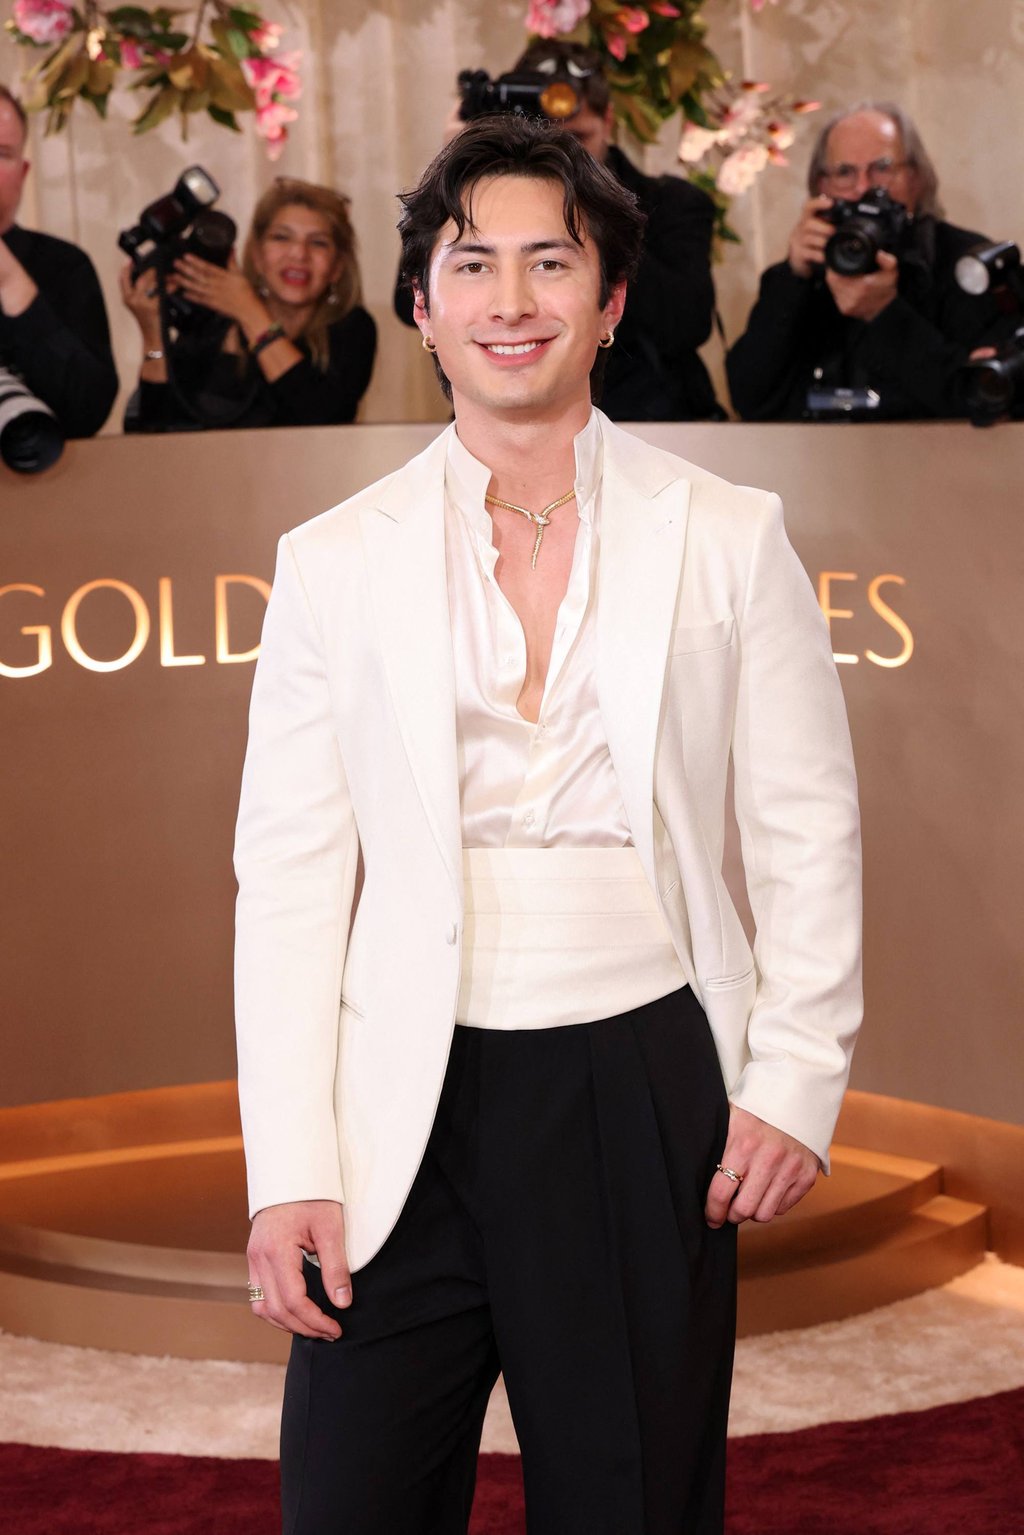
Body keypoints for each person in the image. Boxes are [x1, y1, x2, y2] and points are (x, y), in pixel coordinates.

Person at [234, 116, 862, 1534]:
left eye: (550, 262)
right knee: (350, 1502)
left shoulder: (728, 531)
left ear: (611, 299)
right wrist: (290, 1166)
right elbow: (286, 878)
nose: (510, 301)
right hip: (397, 1096)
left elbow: (805, 824)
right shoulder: (330, 561)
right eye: (472, 265)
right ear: (421, 304)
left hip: (641, 1077)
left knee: (630, 1500)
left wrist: (796, 1073)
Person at [395, 40, 722, 421]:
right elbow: (410, 302)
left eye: (577, 139)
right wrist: (458, 165)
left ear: (608, 122)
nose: (557, 154)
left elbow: (687, 322)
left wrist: (603, 223)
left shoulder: (672, 202)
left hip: (651, 415)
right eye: (475, 266)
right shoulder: (471, 203)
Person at [726, 101, 1005, 421]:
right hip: (815, 450)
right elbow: (748, 399)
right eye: (845, 172)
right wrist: (793, 280)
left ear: (916, 178)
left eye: (882, 168)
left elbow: (982, 400)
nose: (863, 188)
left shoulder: (967, 265)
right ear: (823, 186)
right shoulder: (800, 273)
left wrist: (884, 314)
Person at [121, 177, 376, 431]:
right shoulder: (214, 322)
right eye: (282, 238)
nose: (299, 254)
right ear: (257, 255)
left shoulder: (353, 328)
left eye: (318, 242)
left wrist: (249, 312)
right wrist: (153, 335)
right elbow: (150, 435)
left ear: (337, 267)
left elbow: (322, 420)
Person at [0, 84, 118, 438]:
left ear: (23, 172)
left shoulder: (64, 266)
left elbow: (88, 410)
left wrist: (11, 281)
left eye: (1, 153)